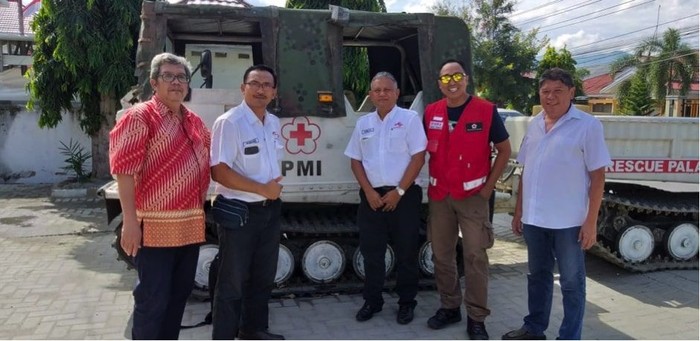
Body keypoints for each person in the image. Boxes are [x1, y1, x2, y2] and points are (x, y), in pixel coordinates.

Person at [502, 68, 611, 340]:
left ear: (571, 93)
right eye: (545, 92)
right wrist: (519, 213)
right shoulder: (535, 124)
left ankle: (569, 336)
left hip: (569, 223)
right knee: (537, 277)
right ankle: (534, 329)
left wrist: (591, 222)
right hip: (535, 221)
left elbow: (598, 177)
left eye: (557, 92)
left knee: (572, 283)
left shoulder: (588, 126)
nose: (550, 97)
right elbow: (526, 171)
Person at [109, 52, 211, 339]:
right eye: (168, 76)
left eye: (182, 77)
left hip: (190, 227)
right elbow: (124, 171)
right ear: (154, 83)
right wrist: (130, 223)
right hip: (154, 229)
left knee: (177, 299)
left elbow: (212, 158)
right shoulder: (140, 116)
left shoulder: (193, 121)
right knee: (152, 301)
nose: (176, 82)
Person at [424, 59, 511, 340]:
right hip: (440, 197)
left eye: (457, 76)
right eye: (446, 78)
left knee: (474, 256)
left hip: (473, 197)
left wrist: (487, 189)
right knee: (442, 256)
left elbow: (504, 150)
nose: (452, 82)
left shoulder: (486, 111)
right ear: (439, 84)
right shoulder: (431, 113)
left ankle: (476, 317)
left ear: (466, 79)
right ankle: (450, 306)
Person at [344, 72, 427, 325]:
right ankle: (373, 301)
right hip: (372, 197)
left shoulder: (410, 119)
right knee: (372, 253)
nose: (381, 94)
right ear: (370, 94)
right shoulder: (364, 123)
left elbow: (418, 157)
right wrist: (369, 191)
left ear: (397, 93)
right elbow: (355, 159)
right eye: (377, 90)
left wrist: (399, 191)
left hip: (404, 196)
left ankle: (406, 303)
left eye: (387, 90)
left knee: (406, 252)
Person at [210, 64, 285, 340]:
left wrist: (274, 184)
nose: (260, 89)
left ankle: (253, 330)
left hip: (269, 211)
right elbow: (220, 171)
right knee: (232, 283)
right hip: (240, 213)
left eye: (267, 85)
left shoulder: (274, 123)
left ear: (274, 92)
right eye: (255, 83)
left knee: (263, 277)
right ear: (243, 88)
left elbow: (271, 160)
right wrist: (263, 188)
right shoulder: (230, 122)